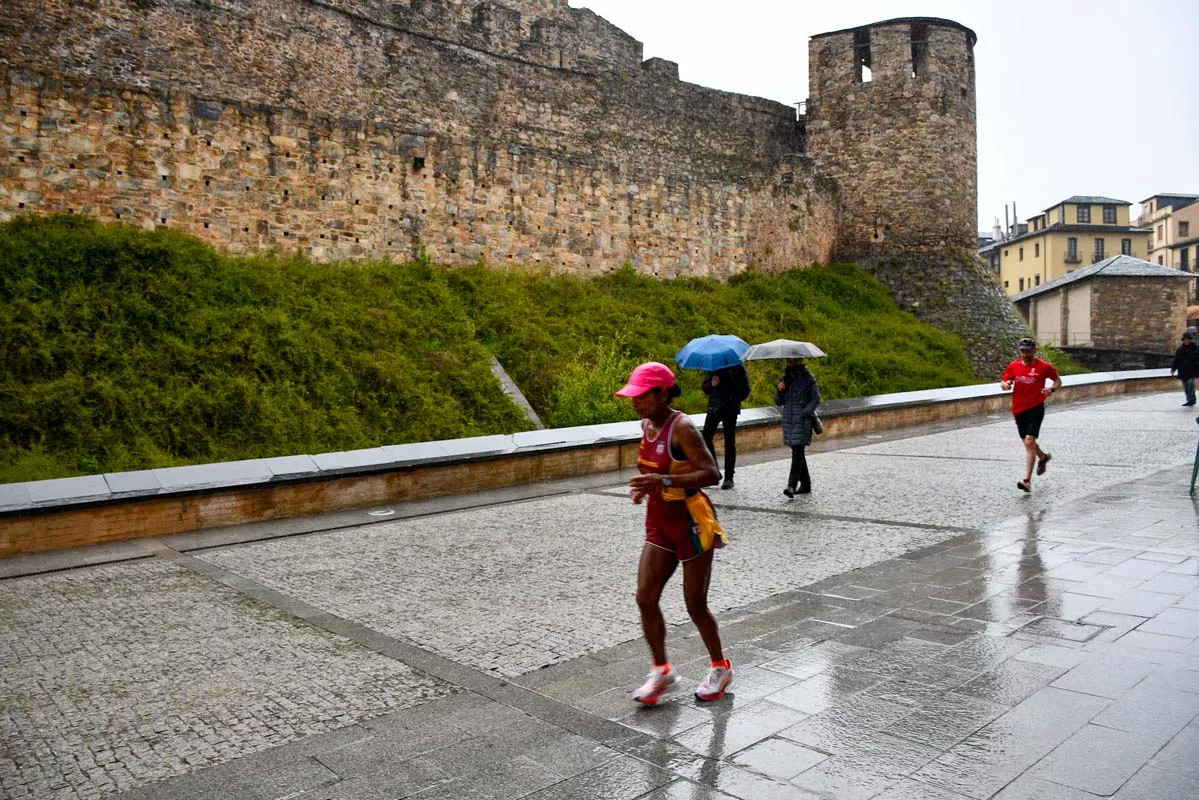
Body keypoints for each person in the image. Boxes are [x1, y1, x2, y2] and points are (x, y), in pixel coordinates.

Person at [616, 362, 733, 704]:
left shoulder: (682, 428)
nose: (635, 402)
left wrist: (663, 481)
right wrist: (645, 489)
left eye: (641, 396)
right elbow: (655, 471)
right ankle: (662, 671)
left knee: (695, 604)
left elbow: (711, 472)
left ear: (662, 393)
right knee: (645, 597)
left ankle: (720, 666)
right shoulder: (646, 426)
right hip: (659, 521)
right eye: (632, 396)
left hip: (691, 522)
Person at [1001, 338, 1061, 492]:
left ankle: (1027, 481)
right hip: (1019, 409)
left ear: (1035, 350)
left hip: (1036, 407)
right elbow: (1004, 381)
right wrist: (1005, 385)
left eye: (1028, 350)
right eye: (1023, 351)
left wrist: (1051, 389)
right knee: (1028, 443)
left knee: (1029, 441)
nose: (1025, 354)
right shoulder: (1013, 366)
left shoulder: (1044, 366)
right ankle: (1043, 457)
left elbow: (1058, 380)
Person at [701, 363, 751, 490]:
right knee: (706, 437)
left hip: (730, 408)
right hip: (714, 407)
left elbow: (746, 390)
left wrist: (734, 394)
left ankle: (729, 477)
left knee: (730, 441)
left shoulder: (738, 368)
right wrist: (712, 384)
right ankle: (714, 471)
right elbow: (705, 388)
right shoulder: (713, 367)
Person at [775, 358, 820, 496]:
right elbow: (778, 401)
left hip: (802, 420)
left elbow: (816, 399)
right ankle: (805, 484)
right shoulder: (785, 378)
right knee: (797, 450)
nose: (791, 364)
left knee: (797, 451)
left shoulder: (808, 378)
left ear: (800, 361)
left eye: (794, 362)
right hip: (789, 420)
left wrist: (805, 412)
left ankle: (791, 485)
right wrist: (780, 390)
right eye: (789, 362)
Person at [1170, 331, 1198, 407]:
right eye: (1185, 339)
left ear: (1190, 339)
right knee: (1186, 387)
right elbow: (1176, 360)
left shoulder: (1195, 348)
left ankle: (1192, 400)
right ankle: (1189, 400)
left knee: (1190, 384)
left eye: (1188, 339)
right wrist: (1173, 369)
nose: (1186, 341)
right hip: (1183, 370)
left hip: (1192, 370)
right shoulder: (1180, 350)